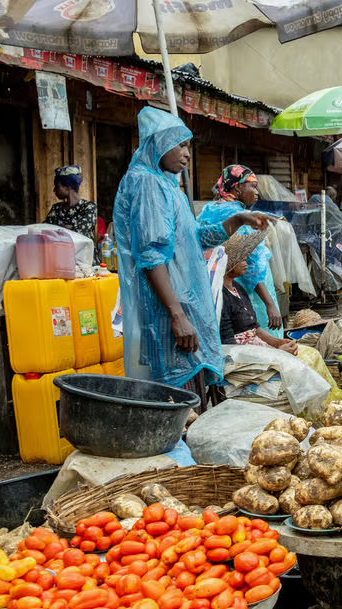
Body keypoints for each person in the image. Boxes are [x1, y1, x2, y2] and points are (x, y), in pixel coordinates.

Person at [112, 107, 268, 396]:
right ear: (158, 144)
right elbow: (151, 255)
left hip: (184, 306)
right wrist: (176, 315)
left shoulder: (170, 188)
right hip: (166, 311)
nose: (187, 154)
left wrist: (238, 220)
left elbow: (195, 238)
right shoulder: (147, 183)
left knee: (191, 396)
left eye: (188, 146)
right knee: (177, 401)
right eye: (180, 145)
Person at [198, 165, 283, 334]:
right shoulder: (237, 217)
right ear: (237, 187)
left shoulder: (210, 210)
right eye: (253, 186)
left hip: (218, 288)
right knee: (256, 338)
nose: (256, 192)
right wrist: (270, 304)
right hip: (246, 293)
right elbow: (251, 267)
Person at [219, 234, 297, 355]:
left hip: (258, 350)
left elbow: (254, 328)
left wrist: (278, 343)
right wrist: (276, 353)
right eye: (242, 259)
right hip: (245, 356)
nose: (246, 263)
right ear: (228, 262)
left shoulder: (237, 288)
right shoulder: (221, 296)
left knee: (311, 355)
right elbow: (228, 344)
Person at [44, 166, 98, 243]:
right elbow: (44, 230)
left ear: (67, 187)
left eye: (56, 186)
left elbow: (80, 232)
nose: (54, 190)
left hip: (83, 254)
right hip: (60, 253)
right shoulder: (56, 208)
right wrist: (70, 228)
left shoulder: (89, 207)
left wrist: (57, 230)